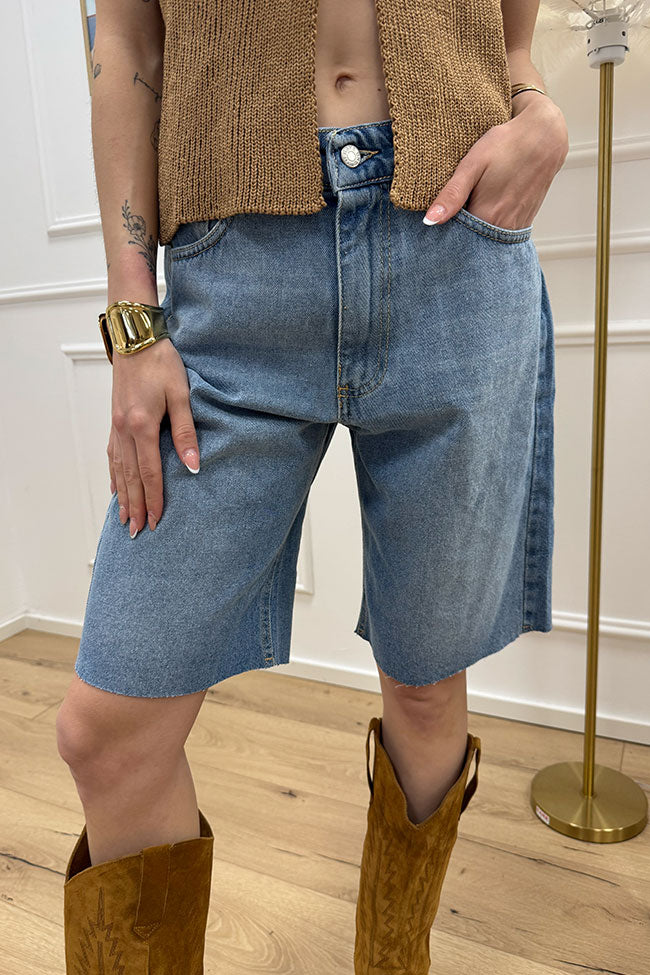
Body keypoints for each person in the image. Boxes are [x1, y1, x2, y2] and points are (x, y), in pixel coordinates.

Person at [57, 1, 569, 972]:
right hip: (233, 283)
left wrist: (534, 103)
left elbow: (509, 37)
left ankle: (393, 959)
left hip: (454, 257)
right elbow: (124, 40)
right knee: (107, 734)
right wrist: (133, 314)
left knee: (427, 687)